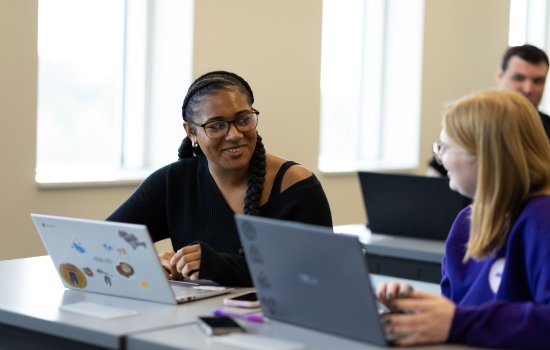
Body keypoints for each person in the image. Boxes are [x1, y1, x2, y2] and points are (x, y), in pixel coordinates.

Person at [107, 71, 333, 286]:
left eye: (243, 120)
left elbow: (318, 273)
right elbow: (101, 243)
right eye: (216, 126)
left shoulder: (296, 186)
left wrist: (218, 265)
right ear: (191, 132)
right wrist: (149, 263)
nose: (234, 135)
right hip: (194, 322)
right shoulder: (172, 182)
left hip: (278, 322)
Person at [378, 89, 550, 348]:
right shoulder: (466, 222)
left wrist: (456, 322)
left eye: (445, 147)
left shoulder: (541, 219)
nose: (440, 159)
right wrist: (419, 315)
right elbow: (460, 311)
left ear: (485, 154)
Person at [427, 44, 550, 176]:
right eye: (519, 78)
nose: (528, 89)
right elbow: (433, 178)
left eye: (538, 81)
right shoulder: (472, 121)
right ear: (499, 76)